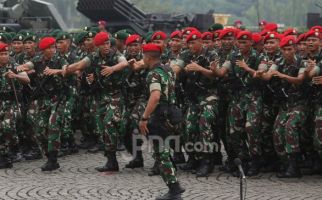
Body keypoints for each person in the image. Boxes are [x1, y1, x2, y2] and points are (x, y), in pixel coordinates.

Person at [139, 43, 185, 200]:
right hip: (172, 115)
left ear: (148, 57)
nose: (142, 59)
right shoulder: (168, 70)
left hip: (160, 116)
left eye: (143, 56)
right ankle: (175, 186)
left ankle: (174, 189)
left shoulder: (153, 74)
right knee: (163, 152)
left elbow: (155, 96)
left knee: (162, 154)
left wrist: (144, 117)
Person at [0, 43, 30, 169]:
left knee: (7, 125)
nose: (4, 56)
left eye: (6, 54)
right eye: (1, 54)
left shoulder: (14, 65)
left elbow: (27, 79)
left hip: (13, 102)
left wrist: (15, 76)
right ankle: (4, 156)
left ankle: (14, 148)